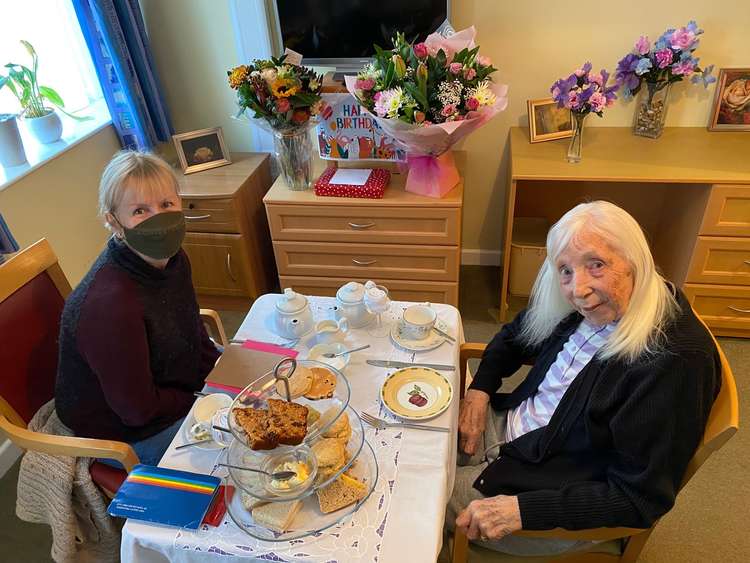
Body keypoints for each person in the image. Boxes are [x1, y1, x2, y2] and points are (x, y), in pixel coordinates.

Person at [447, 201, 721, 556]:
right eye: (565, 270)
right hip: (518, 433)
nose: (578, 289)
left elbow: (640, 498)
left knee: (417, 495)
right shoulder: (607, 300)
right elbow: (516, 336)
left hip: (553, 489)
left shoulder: (671, 363)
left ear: (635, 260)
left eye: (597, 265)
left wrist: (522, 511)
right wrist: (480, 390)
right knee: (414, 438)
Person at [55, 151, 220, 466]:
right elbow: (137, 410)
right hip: (122, 431)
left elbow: (190, 326)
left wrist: (219, 373)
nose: (159, 219)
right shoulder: (110, 305)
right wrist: (202, 398)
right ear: (113, 222)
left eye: (167, 205)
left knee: (258, 390)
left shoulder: (174, 260)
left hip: (167, 386)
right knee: (232, 448)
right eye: (140, 210)